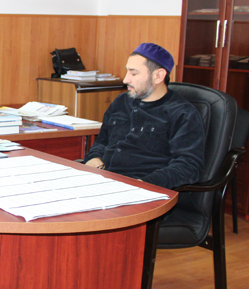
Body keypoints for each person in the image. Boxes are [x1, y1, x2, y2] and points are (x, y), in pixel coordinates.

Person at [83, 43, 205, 190]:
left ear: (158, 76)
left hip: (143, 188)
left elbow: (189, 166)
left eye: (133, 74)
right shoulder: (121, 101)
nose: (125, 80)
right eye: (127, 72)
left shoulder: (183, 113)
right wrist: (94, 158)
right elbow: (102, 141)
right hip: (104, 180)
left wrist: (144, 183)